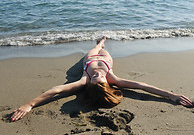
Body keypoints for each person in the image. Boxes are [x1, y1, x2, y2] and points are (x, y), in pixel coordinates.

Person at [11, 36, 193, 122]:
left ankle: (99, 43)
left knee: (95, 48)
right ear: (107, 84)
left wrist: (30, 104)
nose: (98, 75)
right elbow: (142, 86)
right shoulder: (113, 79)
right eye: (100, 78)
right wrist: (170, 95)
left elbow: (56, 90)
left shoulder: (83, 81)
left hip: (88, 60)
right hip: (106, 59)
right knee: (102, 47)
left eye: (96, 78)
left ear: (89, 83)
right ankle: (101, 43)